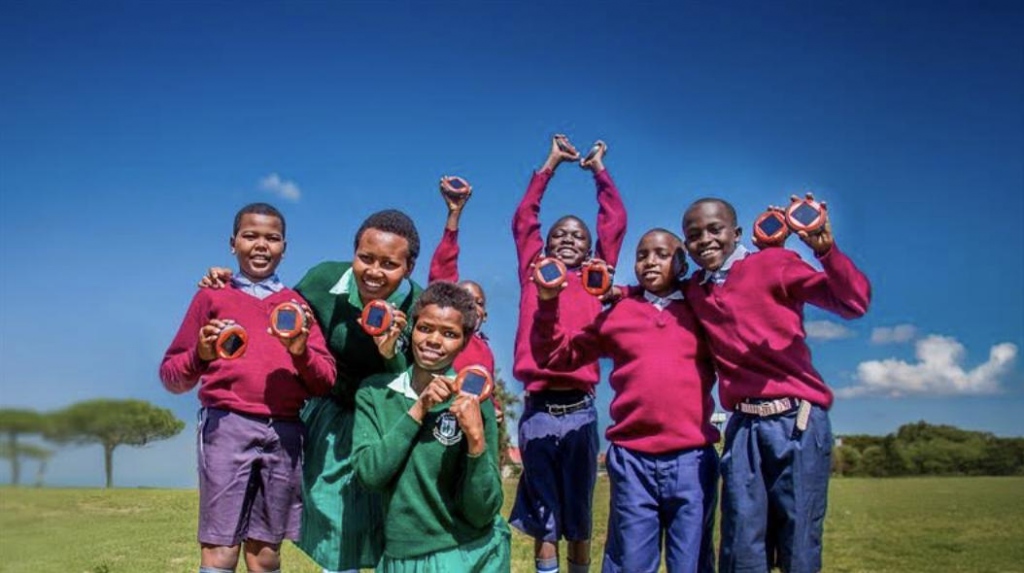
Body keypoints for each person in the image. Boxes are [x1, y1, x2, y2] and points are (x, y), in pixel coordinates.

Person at [199, 209, 424, 572]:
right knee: (332, 512)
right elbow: (275, 310)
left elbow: (412, 385)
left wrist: (390, 355)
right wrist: (232, 283)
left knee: (388, 517)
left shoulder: (419, 309)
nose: (374, 271)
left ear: (409, 267)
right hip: (331, 412)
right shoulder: (324, 281)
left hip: (386, 420)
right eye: (365, 258)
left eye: (389, 264)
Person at [680, 195, 871, 573]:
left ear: (736, 233)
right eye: (694, 235)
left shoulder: (773, 263)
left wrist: (826, 251)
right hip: (743, 428)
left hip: (796, 422)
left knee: (798, 541)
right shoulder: (695, 290)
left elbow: (853, 302)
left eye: (715, 230)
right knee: (740, 544)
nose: (705, 240)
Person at [160, 202, 336, 573]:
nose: (260, 245)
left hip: (285, 433)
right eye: (250, 235)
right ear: (233, 243)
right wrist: (201, 354)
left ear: (284, 247)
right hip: (227, 426)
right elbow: (172, 375)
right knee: (220, 549)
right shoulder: (212, 296)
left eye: (272, 238)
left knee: (266, 554)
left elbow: (324, 381)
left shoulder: (297, 307)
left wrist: (301, 351)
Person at [531, 228, 719, 573]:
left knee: (691, 561)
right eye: (642, 255)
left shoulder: (702, 309)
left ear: (682, 264)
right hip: (633, 459)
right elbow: (556, 356)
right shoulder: (619, 314)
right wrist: (547, 302)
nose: (650, 262)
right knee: (631, 561)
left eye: (662, 254)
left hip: (692, 459)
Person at [510, 135, 627, 573]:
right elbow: (524, 219)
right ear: (547, 243)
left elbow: (615, 222)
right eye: (559, 234)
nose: (568, 240)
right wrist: (550, 165)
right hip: (539, 409)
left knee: (578, 511)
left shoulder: (598, 276)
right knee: (544, 512)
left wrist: (599, 171)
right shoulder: (535, 271)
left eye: (578, 236)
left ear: (589, 246)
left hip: (580, 409)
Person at [351, 281, 510, 571]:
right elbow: (370, 475)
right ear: (412, 328)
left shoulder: (473, 401)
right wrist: (418, 409)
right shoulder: (375, 394)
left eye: (449, 334)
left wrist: (476, 441)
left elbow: (483, 511)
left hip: (466, 553)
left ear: (465, 341)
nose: (434, 340)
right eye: (425, 328)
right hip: (401, 555)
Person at [428, 177, 501, 422]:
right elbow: (442, 272)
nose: (471, 305)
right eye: (464, 299)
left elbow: (487, 388)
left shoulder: (485, 351)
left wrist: (495, 408)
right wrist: (454, 215)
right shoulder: (442, 337)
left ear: (485, 316)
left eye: (478, 303)